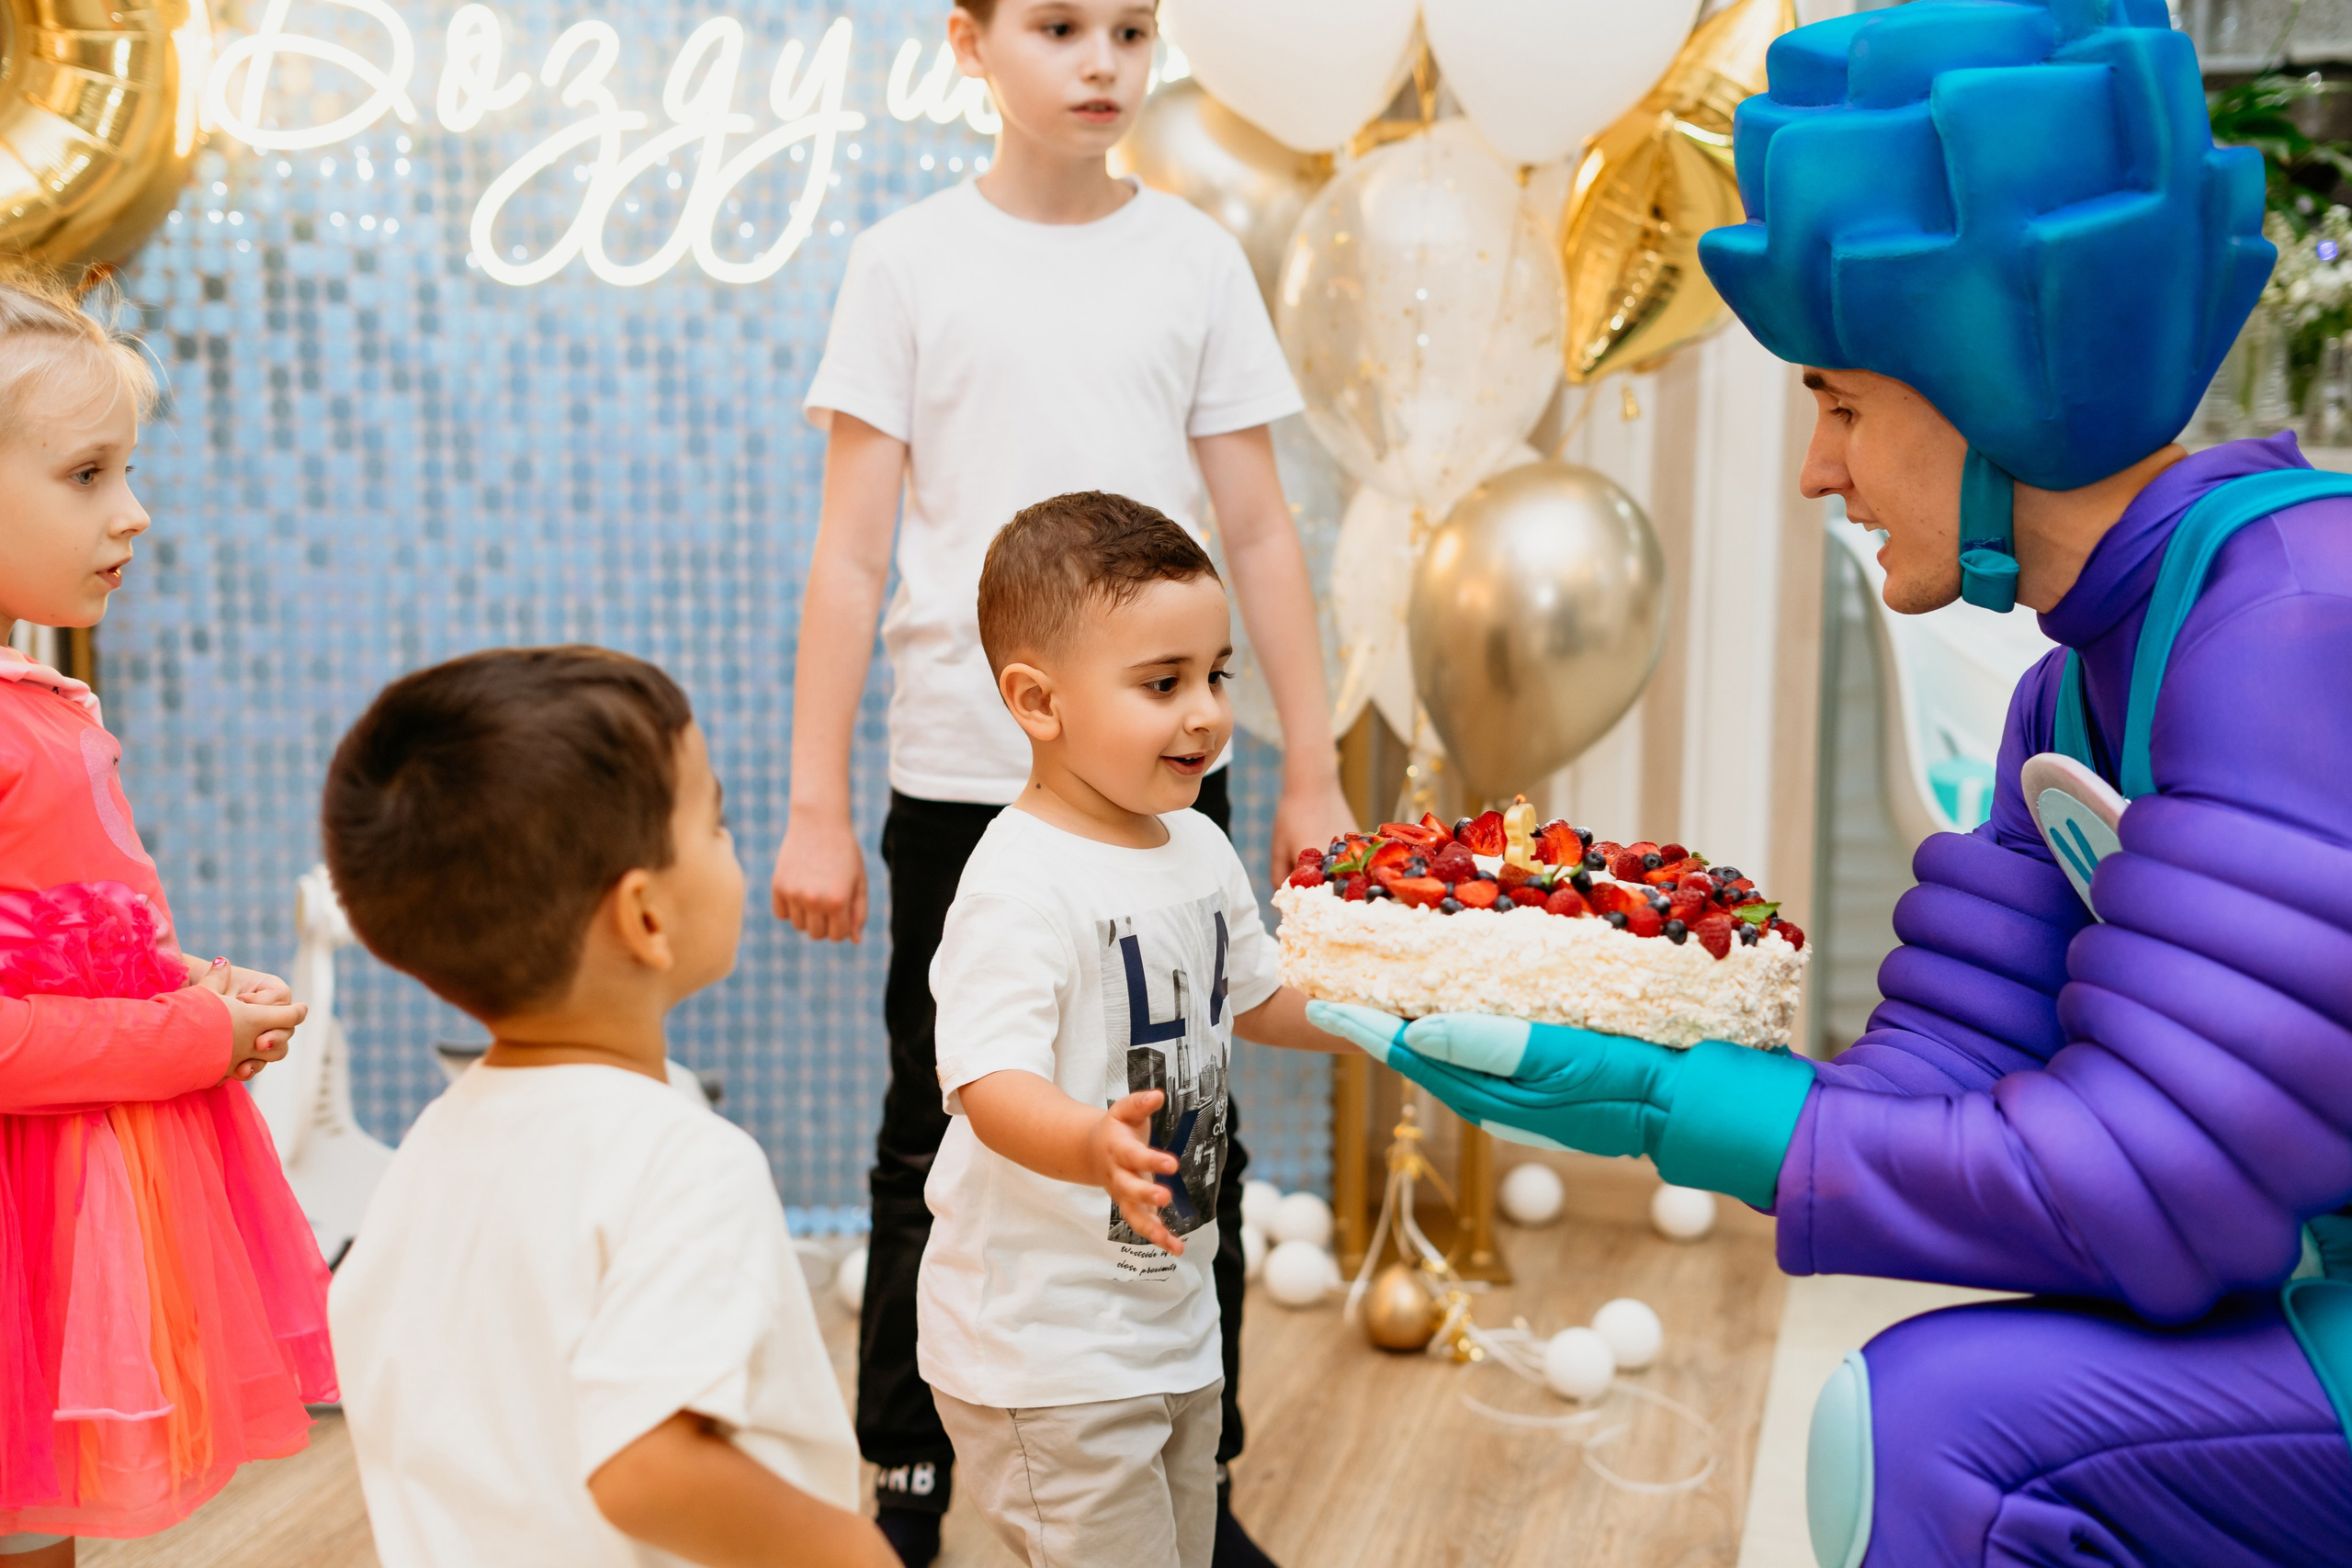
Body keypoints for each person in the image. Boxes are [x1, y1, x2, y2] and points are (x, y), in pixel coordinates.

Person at [1317, 4, 2352, 1565]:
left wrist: (1678, 1107)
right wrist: (1629, 1065)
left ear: (1998, 381)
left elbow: (2154, 1181)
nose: (1820, 468)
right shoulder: (2074, 684)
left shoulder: (2293, 618)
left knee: (1936, 1429)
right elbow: (1947, 1077)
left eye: (1842, 402)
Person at [774, 0, 1351, 1560]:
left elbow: (1262, 529)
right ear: (970, 44)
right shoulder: (907, 263)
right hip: (965, 778)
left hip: (1160, 775)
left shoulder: (1195, 262)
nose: (1103, 62)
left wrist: (1310, 765)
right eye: (1058, 26)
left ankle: (1195, 1475)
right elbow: (850, 552)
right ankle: (912, 1470)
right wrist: (816, 801)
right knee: (939, 1119)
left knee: (1193, 1115)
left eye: (1133, 29)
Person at [322, 649, 893, 1568]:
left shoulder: (425, 1155)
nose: (732, 844)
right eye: (717, 822)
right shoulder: (685, 1163)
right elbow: (645, 1468)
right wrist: (857, 1554)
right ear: (646, 917)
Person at [922, 492, 1351, 1568]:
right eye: (1162, 684)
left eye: (1216, 675)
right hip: (1047, 1351)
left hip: (1171, 1323)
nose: (1204, 713)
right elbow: (989, 1082)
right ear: (1038, 701)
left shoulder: (1195, 844)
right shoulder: (1018, 883)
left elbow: (1255, 996)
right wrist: (1088, 1142)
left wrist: (1386, 1021)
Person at [0, 265, 327, 1563]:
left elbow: (40, 935)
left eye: (125, 471)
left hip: (51, 1223)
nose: (132, 512)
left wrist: (179, 978)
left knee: (38, 1513)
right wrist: (190, 1037)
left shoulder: (33, 701)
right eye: (87, 475)